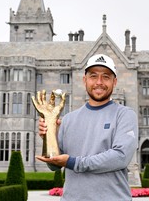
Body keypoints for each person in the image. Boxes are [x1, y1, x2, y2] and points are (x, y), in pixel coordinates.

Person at [36, 54, 138, 201]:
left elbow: (120, 157)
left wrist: (73, 162)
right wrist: (50, 138)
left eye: (106, 77)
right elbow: (54, 166)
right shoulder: (69, 119)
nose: (99, 82)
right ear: (85, 80)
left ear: (114, 82)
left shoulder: (124, 115)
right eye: (93, 76)